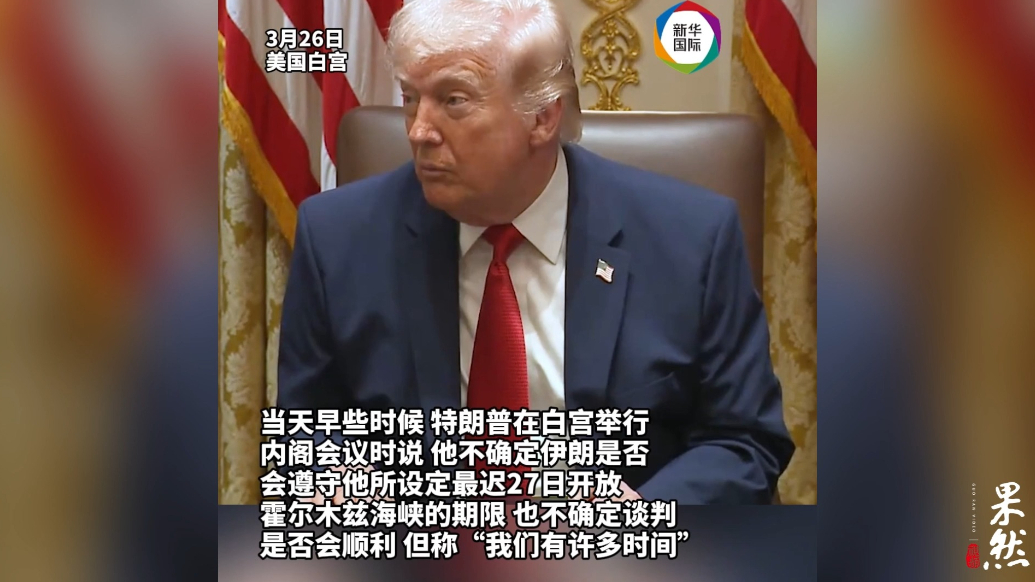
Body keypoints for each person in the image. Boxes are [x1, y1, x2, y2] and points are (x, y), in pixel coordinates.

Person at [278, 0, 794, 503]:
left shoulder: (691, 240)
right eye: (411, 97)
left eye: (454, 100)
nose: (418, 130)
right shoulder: (338, 238)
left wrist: (639, 517)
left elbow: (745, 440)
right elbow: (304, 434)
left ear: (543, 117)